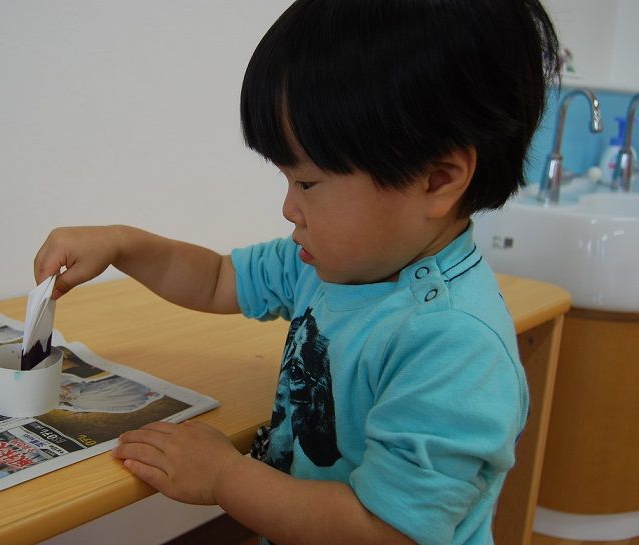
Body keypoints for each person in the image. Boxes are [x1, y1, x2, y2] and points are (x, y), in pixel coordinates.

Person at [33, 1, 558, 543]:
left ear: (438, 180)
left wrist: (225, 477)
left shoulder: (454, 346)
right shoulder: (329, 263)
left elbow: (384, 530)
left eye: (307, 183)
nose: (289, 208)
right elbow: (216, 279)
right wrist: (122, 244)